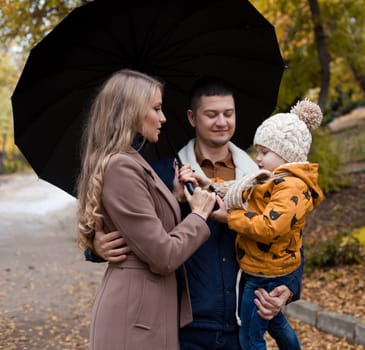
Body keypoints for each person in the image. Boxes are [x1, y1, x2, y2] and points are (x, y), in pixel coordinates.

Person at [89, 78, 303, 350]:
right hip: (184, 327)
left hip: (243, 323)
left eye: (228, 113)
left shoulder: (264, 178)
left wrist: (289, 289)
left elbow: (291, 234)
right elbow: (131, 225)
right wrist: (96, 248)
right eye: (211, 114)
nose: (222, 122)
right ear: (192, 117)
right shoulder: (161, 175)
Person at [76, 69, 217, 350]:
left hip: (149, 314)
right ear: (131, 111)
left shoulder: (132, 161)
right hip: (135, 321)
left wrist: (174, 197)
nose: (163, 117)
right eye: (156, 108)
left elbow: (148, 230)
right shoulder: (121, 166)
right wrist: (199, 215)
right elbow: (163, 255)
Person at [213, 99, 324, 349]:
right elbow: (244, 191)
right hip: (263, 268)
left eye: (264, 152)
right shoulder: (275, 181)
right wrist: (211, 185)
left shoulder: (291, 188)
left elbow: (270, 227)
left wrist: (230, 218)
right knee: (276, 324)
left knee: (250, 338)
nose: (258, 158)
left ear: (286, 155)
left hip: (264, 274)